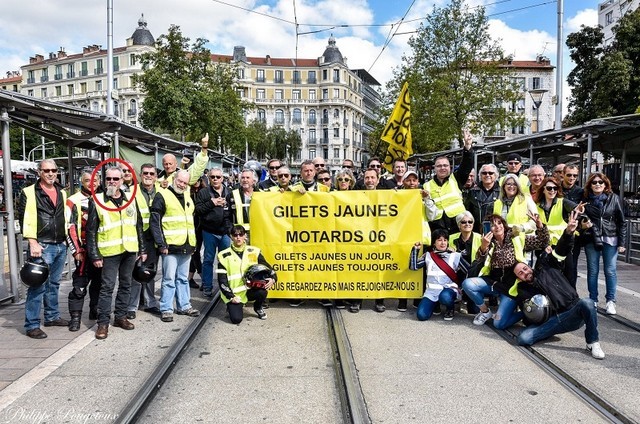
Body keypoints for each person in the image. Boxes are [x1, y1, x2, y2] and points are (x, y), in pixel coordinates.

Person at [512, 211, 605, 359]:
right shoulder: (523, 289)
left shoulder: (546, 266)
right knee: (523, 338)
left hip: (571, 312)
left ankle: (592, 342)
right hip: (552, 321)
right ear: (519, 278)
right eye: (520, 274)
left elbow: (562, 249)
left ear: (529, 266)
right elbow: (528, 316)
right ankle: (547, 333)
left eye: (525, 268)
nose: (525, 273)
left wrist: (568, 232)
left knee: (587, 302)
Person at [86, 167, 146, 340]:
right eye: (109, 179)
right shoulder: (97, 200)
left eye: (115, 179)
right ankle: (103, 323)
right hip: (109, 251)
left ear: (122, 181)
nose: (112, 182)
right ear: (105, 181)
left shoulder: (131, 199)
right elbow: (91, 231)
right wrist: (95, 255)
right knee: (107, 288)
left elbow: (138, 225)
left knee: (126, 284)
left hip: (129, 249)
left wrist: (142, 249)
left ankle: (120, 316)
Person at [462, 213, 549, 329]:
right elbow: (478, 261)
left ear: (504, 224)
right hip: (493, 283)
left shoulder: (516, 238)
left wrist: (540, 226)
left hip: (511, 288)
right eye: (492, 225)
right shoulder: (487, 242)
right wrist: (483, 247)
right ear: (488, 228)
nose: (497, 226)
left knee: (499, 324)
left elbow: (542, 242)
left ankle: (524, 312)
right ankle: (485, 311)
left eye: (499, 223)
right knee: (467, 284)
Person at [17, 159, 69, 339]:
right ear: (39, 172)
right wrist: (32, 242)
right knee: (37, 286)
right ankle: (32, 324)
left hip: (60, 244)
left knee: (54, 284)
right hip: (42, 245)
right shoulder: (29, 192)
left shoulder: (61, 192)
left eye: (53, 170)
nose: (50, 173)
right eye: (46, 170)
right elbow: (24, 219)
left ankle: (52, 316)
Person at [150, 169, 201, 323]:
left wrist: (193, 244)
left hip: (186, 244)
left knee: (183, 278)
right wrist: (161, 243)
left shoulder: (187, 196)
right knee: (169, 279)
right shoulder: (162, 195)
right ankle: (166, 308)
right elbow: (155, 222)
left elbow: (190, 220)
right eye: (180, 181)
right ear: (174, 179)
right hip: (170, 246)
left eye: (185, 183)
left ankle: (184, 305)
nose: (182, 185)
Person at [582, 173, 626, 315]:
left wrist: (622, 242)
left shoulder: (614, 198)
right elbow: (581, 217)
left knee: (610, 270)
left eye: (600, 182)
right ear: (590, 185)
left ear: (606, 184)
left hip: (610, 238)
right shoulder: (586, 200)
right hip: (592, 238)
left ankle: (610, 301)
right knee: (593, 270)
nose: (597, 184)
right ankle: (593, 299)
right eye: (594, 183)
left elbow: (622, 222)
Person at [66, 171, 102, 331]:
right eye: (88, 180)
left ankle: (94, 310)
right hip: (83, 249)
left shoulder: (103, 198)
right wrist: (76, 251)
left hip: (101, 250)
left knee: (99, 283)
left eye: (95, 180)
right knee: (80, 285)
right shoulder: (73, 200)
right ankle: (75, 318)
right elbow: (69, 226)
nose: (92, 183)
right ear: (81, 181)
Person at [217, 225, 276, 323]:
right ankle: (230, 306)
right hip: (234, 294)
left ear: (245, 236)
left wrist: (273, 278)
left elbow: (268, 267)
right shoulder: (223, 255)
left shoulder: (254, 251)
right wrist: (231, 297)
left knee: (262, 291)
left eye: (241, 234)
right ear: (231, 237)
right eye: (235, 235)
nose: (238, 237)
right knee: (236, 320)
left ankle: (258, 308)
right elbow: (222, 281)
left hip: (249, 290)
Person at [349, 169, 386, 313]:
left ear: (378, 180)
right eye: (367, 178)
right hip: (360, 239)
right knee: (359, 270)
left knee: (379, 270)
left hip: (379, 239)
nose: (370, 180)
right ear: (363, 180)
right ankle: (357, 301)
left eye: (372, 178)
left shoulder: (386, 195)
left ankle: (379, 301)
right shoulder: (356, 196)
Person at [423, 129, 474, 233]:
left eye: (445, 165)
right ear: (435, 168)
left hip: (458, 225)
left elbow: (467, 165)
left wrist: (467, 147)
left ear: (450, 167)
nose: (443, 168)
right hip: (438, 229)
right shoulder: (426, 186)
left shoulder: (456, 178)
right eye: (439, 166)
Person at [128, 163, 161, 317]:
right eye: (145, 173)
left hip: (153, 238)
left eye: (151, 173)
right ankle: (132, 306)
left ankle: (149, 302)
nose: (148, 176)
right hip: (136, 236)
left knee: (149, 271)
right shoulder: (132, 193)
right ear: (140, 175)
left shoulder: (161, 192)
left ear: (156, 177)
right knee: (135, 272)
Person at [195, 168, 232, 298]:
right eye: (212, 177)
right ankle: (207, 286)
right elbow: (198, 210)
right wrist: (212, 203)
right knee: (208, 260)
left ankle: (225, 286)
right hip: (209, 231)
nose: (215, 179)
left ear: (223, 178)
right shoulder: (204, 192)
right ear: (209, 178)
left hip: (225, 233)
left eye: (218, 177)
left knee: (225, 261)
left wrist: (231, 230)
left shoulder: (229, 192)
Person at [410, 229, 461, 321]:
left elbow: (468, 270)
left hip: (448, 290)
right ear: (434, 243)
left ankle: (450, 308)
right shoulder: (428, 255)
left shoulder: (455, 255)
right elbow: (414, 267)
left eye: (445, 240)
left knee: (445, 297)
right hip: (431, 292)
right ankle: (434, 305)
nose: (443, 243)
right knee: (421, 316)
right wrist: (415, 250)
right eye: (439, 240)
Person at [533, 177, 578, 247]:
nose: (552, 190)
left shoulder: (563, 202)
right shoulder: (536, 206)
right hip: (543, 244)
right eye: (549, 188)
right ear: (543, 190)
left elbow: (576, 208)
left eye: (555, 188)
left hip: (561, 243)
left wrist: (579, 210)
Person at [561, 164, 585, 287]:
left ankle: (571, 293)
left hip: (574, 233)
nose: (572, 178)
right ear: (563, 174)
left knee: (572, 265)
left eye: (575, 175)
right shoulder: (555, 189)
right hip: (557, 232)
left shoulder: (581, 192)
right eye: (569, 175)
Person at [465, 164, 500, 234]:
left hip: (497, 231)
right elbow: (467, 213)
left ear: (496, 175)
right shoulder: (472, 192)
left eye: (490, 173)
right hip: (476, 231)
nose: (487, 175)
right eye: (484, 173)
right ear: (480, 175)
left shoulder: (502, 192)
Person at [187, 175, 206, 289]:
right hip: (191, 226)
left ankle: (190, 278)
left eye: (198, 180)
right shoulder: (188, 192)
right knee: (195, 252)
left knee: (195, 252)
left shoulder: (204, 192)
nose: (196, 182)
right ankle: (202, 276)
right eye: (194, 180)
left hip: (202, 226)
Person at [228, 169, 258, 240]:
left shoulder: (261, 194)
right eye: (243, 177)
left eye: (248, 178)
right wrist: (231, 230)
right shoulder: (232, 195)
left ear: (253, 181)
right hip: (239, 234)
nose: (245, 180)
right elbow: (227, 216)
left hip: (257, 232)